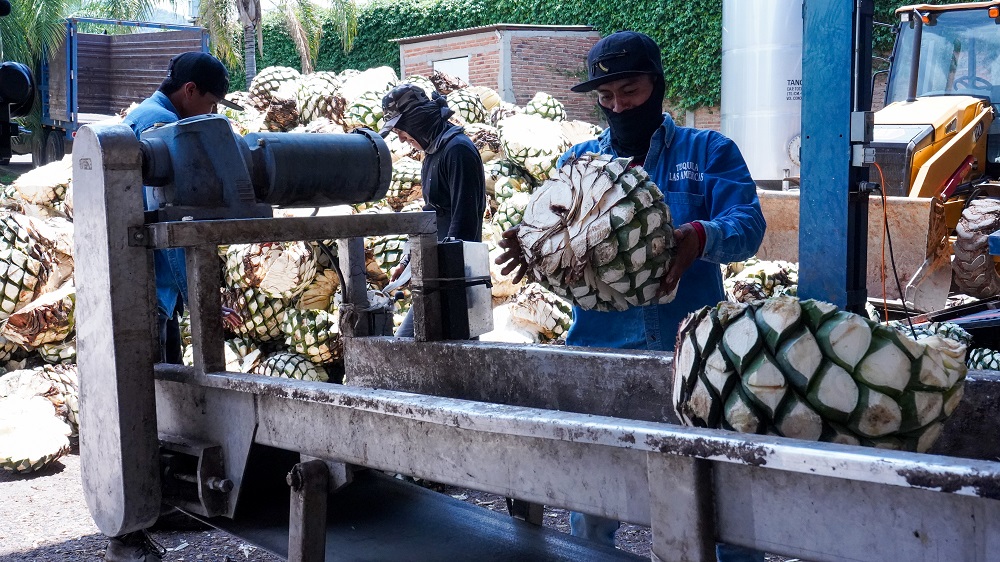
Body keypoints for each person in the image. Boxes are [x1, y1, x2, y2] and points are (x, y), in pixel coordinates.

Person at [495, 31, 767, 562]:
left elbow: (749, 227)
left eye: (631, 91)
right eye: (607, 97)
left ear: (658, 87)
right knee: (595, 499)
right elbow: (561, 245)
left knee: (723, 498)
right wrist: (535, 245)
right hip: (602, 355)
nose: (618, 106)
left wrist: (699, 237)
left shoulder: (708, 151)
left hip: (695, 356)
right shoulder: (577, 164)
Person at [107, 51, 242, 562]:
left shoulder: (139, 119)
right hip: (153, 288)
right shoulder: (166, 131)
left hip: (144, 287)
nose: (210, 113)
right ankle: (141, 514)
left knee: (152, 395)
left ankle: (152, 503)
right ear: (190, 90)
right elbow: (171, 214)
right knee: (154, 400)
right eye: (210, 103)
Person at [379, 83, 487, 337]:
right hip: (435, 277)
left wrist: (442, 279)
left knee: (446, 359)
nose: (402, 139)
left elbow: (465, 224)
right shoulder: (433, 152)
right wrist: (409, 260)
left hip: (456, 279)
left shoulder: (458, 151)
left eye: (401, 131)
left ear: (417, 121)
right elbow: (430, 216)